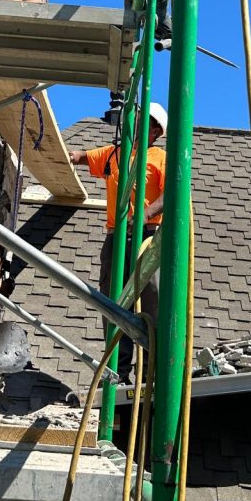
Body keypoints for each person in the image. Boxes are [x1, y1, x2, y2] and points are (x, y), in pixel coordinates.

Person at [69, 103, 168, 383]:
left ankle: (150, 373)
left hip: (147, 237)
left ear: (156, 131)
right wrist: (63, 155)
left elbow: (172, 191)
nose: (136, 123)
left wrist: (145, 213)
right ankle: (118, 371)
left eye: (144, 120)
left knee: (151, 301)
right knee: (113, 303)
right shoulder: (115, 153)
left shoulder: (160, 158)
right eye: (136, 118)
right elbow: (81, 157)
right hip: (116, 237)